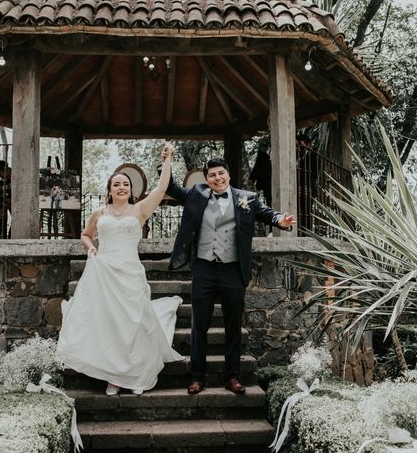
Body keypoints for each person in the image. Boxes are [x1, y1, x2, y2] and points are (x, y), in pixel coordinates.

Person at [57, 143, 183, 396]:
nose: (122, 187)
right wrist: (90, 247)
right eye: (116, 184)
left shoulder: (140, 210)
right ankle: (112, 377)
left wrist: (168, 159)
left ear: (130, 189)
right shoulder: (99, 212)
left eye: (125, 183)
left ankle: (135, 374)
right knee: (110, 324)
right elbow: (84, 235)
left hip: (129, 272)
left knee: (132, 323)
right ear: (110, 189)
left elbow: (161, 188)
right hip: (104, 273)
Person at [163, 154, 295, 395]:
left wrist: (281, 220)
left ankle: (232, 376)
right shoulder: (196, 194)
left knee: (233, 326)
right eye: (211, 175)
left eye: (220, 173)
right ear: (206, 179)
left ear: (228, 175)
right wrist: (167, 161)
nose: (217, 178)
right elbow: (170, 187)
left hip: (233, 270)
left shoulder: (248, 198)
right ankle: (197, 377)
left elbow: (269, 214)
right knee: (198, 325)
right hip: (203, 268)